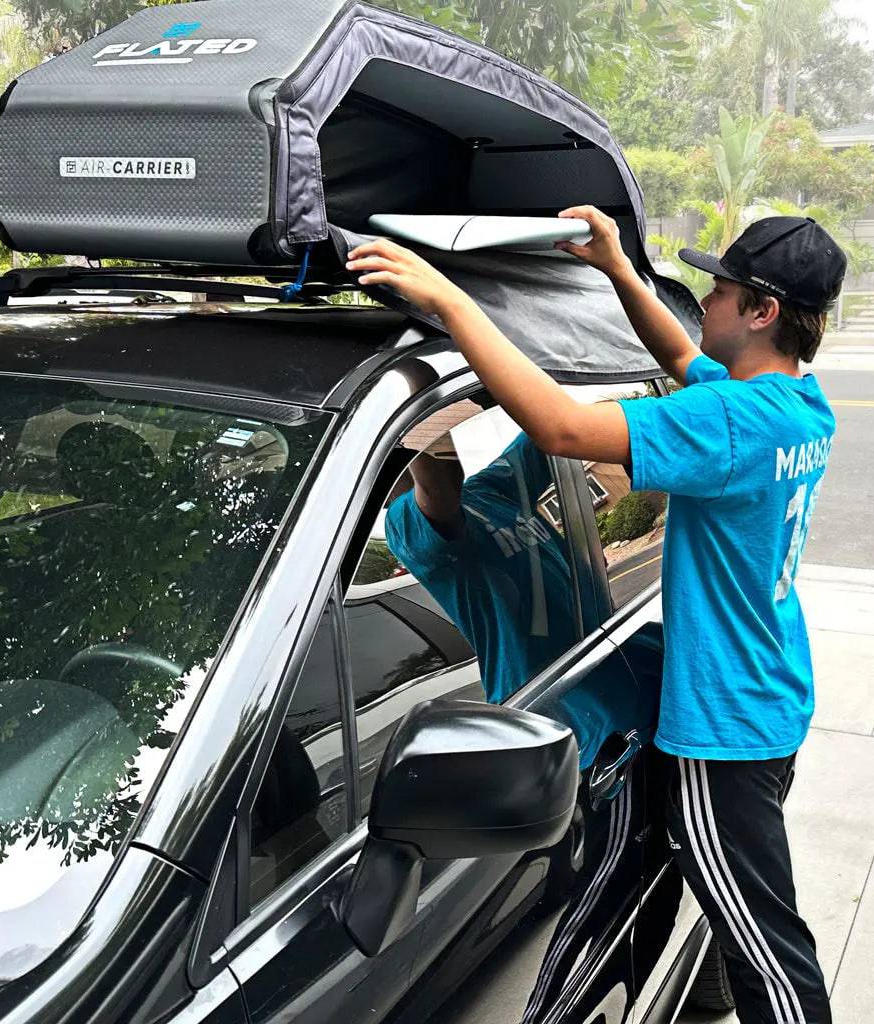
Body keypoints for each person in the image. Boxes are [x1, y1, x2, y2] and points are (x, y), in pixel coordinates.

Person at [347, 210, 843, 1024]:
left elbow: (563, 427)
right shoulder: (791, 407)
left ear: (762, 313)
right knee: (757, 931)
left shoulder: (730, 422)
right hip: (769, 693)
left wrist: (450, 301)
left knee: (767, 953)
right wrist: (617, 268)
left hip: (724, 730)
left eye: (717, 291)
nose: (702, 303)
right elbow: (681, 356)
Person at [385, 422, 577, 705]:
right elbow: (437, 484)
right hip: (544, 698)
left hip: (601, 659)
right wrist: (407, 397)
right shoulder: (403, 523)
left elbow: (549, 426)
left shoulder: (488, 489)